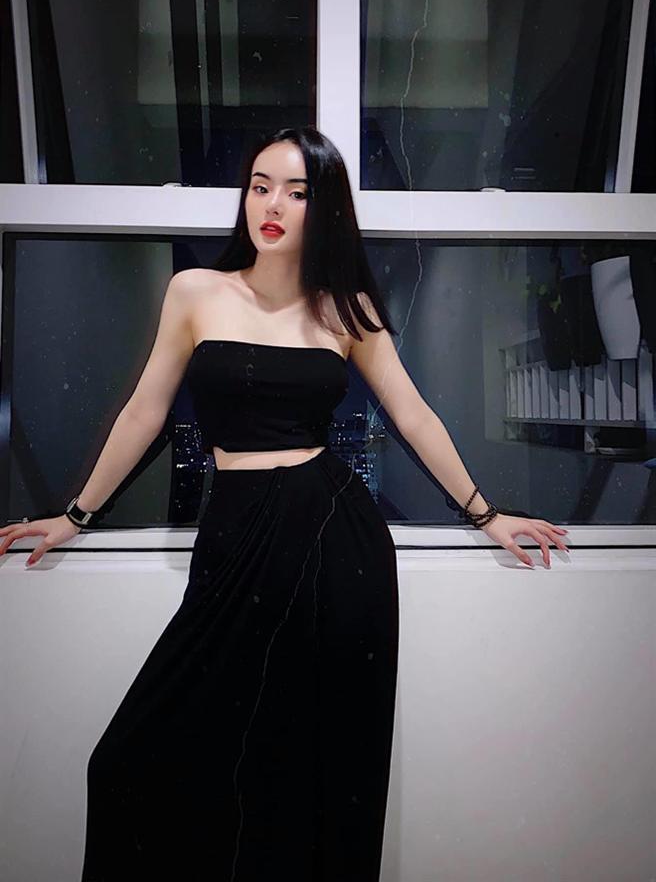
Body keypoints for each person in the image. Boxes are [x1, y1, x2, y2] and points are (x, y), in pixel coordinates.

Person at [0, 126, 569, 880]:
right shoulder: (196, 291)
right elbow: (144, 413)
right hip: (235, 530)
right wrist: (75, 516)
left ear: (322, 208)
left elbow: (413, 414)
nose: (272, 205)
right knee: (126, 764)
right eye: (260, 186)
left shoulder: (346, 308)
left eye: (297, 193)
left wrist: (486, 514)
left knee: (308, 769)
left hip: (330, 536)